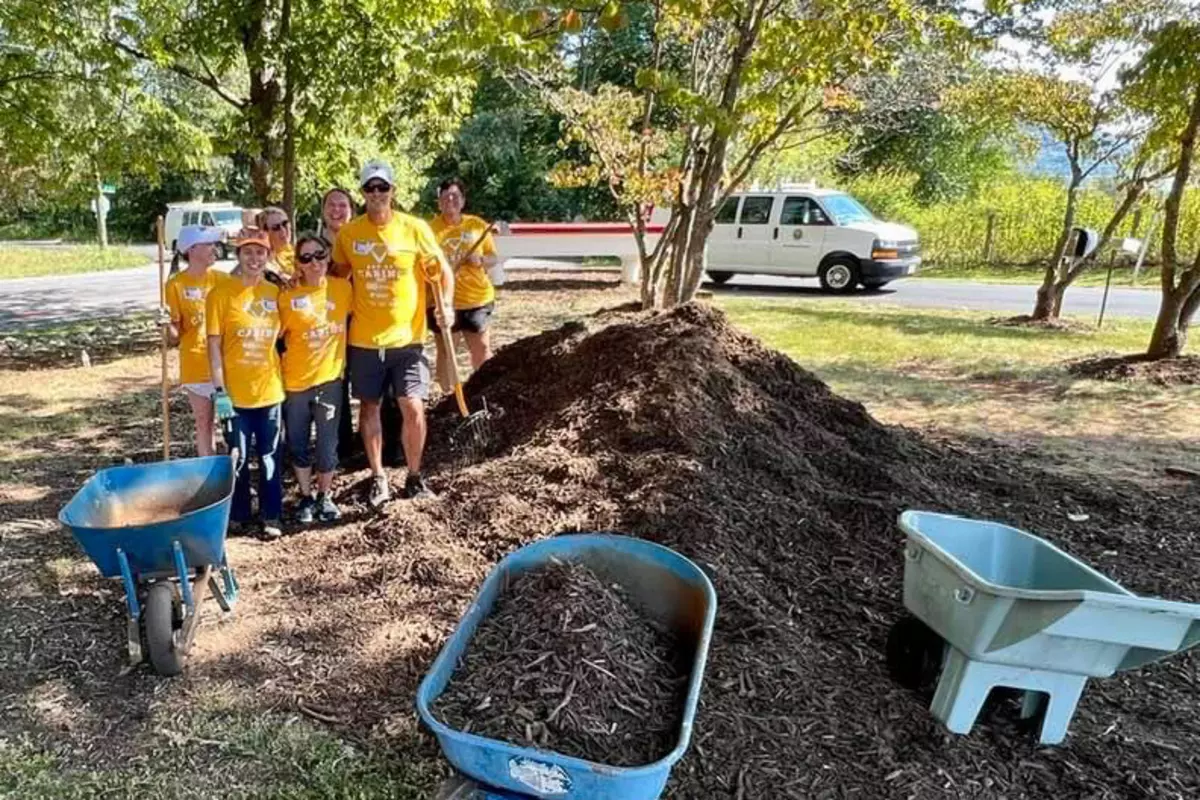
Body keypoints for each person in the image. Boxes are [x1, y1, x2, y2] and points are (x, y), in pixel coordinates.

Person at [331, 159, 453, 505]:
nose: (376, 193)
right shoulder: (350, 234)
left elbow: (441, 270)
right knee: (369, 407)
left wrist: (446, 304)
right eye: (370, 188)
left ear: (392, 191)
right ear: (363, 193)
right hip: (365, 339)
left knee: (413, 406)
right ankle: (378, 476)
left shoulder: (414, 229)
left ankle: (414, 476)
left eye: (382, 187)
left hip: (408, 338)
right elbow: (337, 277)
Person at [207, 228, 286, 539]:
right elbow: (214, 346)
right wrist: (219, 390)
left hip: (269, 392)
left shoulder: (274, 293)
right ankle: (239, 513)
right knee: (237, 458)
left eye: (260, 253)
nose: (254, 258)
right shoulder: (221, 294)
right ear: (237, 255)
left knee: (270, 458)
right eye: (247, 252)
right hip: (235, 397)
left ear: (268, 257)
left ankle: (272, 515)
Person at [278, 233, 352, 523]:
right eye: (306, 258)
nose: (314, 262)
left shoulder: (343, 290)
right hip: (295, 382)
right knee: (297, 442)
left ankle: (325, 495)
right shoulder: (286, 296)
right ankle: (306, 496)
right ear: (298, 263)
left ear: (328, 256)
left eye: (319, 255)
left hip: (330, 380)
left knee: (327, 443)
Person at [162, 225, 227, 456]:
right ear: (191, 249)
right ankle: (208, 475)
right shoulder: (175, 284)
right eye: (208, 244)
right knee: (204, 424)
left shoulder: (223, 280)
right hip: (195, 364)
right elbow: (174, 336)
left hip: (225, 365)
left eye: (213, 243)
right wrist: (165, 324)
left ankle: (235, 475)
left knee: (231, 425)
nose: (214, 248)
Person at [429, 178, 499, 380]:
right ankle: (448, 398)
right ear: (439, 201)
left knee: (482, 350)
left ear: (463, 200)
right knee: (446, 354)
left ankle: (483, 392)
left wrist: (481, 260)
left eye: (455, 196)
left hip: (476, 300)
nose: (450, 200)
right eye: (445, 196)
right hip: (444, 302)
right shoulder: (429, 230)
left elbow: (493, 258)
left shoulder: (477, 225)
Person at [258, 206, 295, 279]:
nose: (283, 230)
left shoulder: (298, 251)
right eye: (276, 227)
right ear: (265, 233)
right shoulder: (264, 261)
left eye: (285, 224)